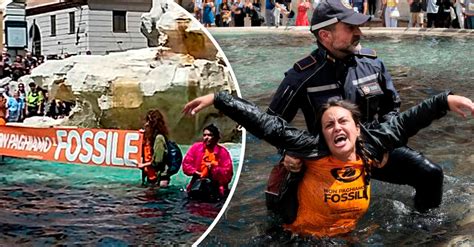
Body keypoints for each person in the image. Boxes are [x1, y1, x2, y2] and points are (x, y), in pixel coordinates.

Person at [183, 91, 474, 236]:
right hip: (300, 240)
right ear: (322, 134)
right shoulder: (311, 149)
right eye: (329, 124)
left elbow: (406, 122)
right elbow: (267, 125)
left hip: (348, 235)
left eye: (343, 122)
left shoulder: (370, 144)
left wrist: (445, 100)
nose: (337, 128)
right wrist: (218, 99)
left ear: (357, 128)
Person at [266, 0, 444, 214]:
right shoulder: (301, 76)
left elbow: (391, 107)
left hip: (373, 147)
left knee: (431, 174)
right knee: (285, 211)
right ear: (325, 36)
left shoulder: (373, 64)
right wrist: (288, 152)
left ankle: (422, 230)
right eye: (350, 28)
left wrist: (385, 144)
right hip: (323, 154)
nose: (359, 32)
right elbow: (273, 122)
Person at [182, 124, 233, 201]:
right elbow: (186, 164)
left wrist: (214, 169)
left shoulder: (223, 152)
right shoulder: (196, 148)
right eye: (204, 135)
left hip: (216, 189)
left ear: (215, 137)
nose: (206, 137)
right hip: (197, 184)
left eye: (209, 135)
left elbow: (228, 174)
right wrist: (196, 172)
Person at [140, 109, 173, 187]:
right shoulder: (150, 137)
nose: (146, 123)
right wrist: (141, 136)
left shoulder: (159, 139)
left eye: (148, 121)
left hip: (160, 178)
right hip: (151, 176)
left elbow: (158, 161)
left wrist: (143, 165)